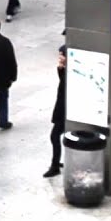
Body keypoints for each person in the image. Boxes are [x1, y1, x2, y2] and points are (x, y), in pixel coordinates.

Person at [43, 46, 68, 178]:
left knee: (54, 136)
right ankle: (56, 162)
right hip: (62, 110)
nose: (60, 58)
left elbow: (64, 88)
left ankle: (55, 165)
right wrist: (60, 69)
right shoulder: (66, 70)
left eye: (62, 55)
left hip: (63, 111)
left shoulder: (70, 73)